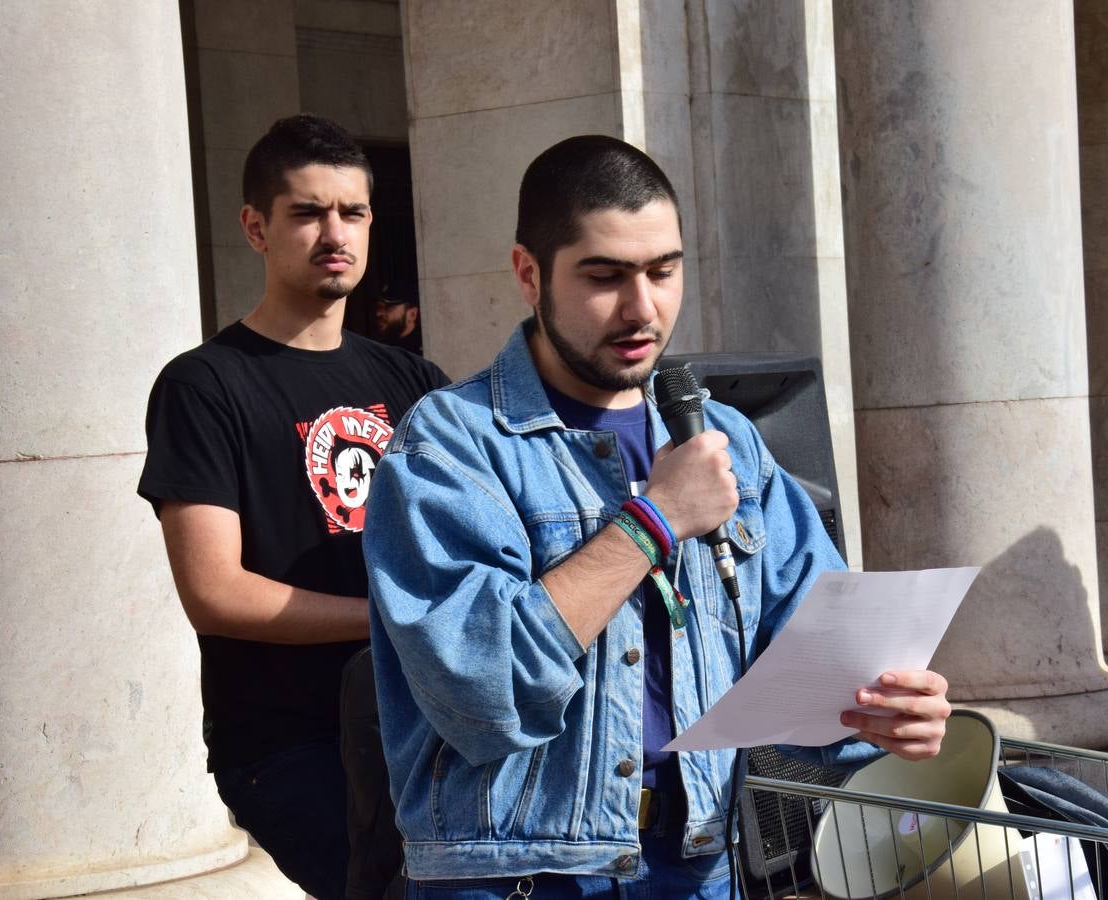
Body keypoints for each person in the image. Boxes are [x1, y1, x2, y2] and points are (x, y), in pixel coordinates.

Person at [363, 135, 951, 897]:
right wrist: (653, 521)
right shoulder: (450, 447)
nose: (643, 308)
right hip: (526, 878)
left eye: (664, 272)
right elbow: (483, 692)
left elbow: (812, 661)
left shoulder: (726, 439)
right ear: (528, 274)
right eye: (605, 277)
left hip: (704, 864)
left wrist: (886, 714)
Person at [138, 114, 450, 899]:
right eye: (307, 213)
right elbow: (216, 592)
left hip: (422, 726)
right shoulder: (205, 385)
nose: (334, 232)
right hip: (289, 745)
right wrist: (391, 614)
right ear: (255, 227)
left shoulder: (415, 381)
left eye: (353, 212)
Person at [373, 283, 422, 355]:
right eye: (379, 307)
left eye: (389, 307)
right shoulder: (378, 349)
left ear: (412, 315)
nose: (378, 313)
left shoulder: (424, 351)